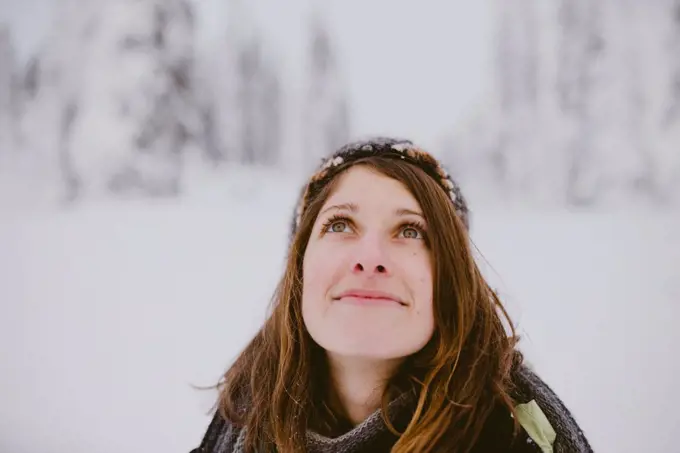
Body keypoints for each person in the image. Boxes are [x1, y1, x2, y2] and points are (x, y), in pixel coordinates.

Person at [190, 137, 593, 453]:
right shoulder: (241, 417)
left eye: (410, 231)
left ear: (451, 279)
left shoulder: (519, 435)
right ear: (299, 268)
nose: (370, 259)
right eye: (340, 224)